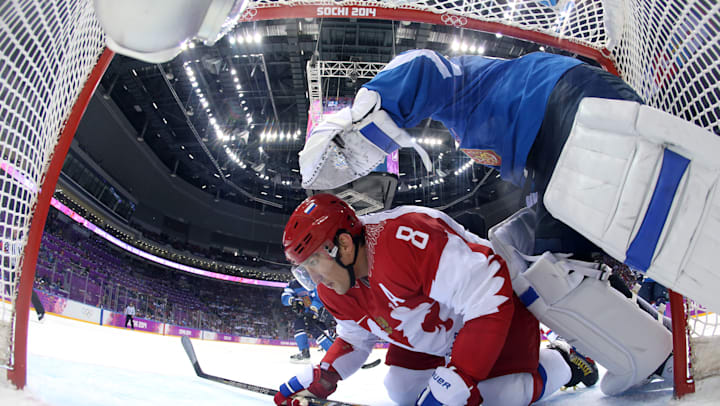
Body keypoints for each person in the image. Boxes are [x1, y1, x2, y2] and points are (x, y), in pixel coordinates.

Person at [274, 194, 602, 406]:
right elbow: (355, 338)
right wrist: (325, 375)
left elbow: (488, 292)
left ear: (344, 246)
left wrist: (461, 374)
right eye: (306, 269)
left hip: (493, 313)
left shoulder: (402, 240)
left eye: (314, 263)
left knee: (498, 397)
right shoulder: (335, 287)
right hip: (434, 333)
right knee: (401, 391)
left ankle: (564, 362)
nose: (314, 279)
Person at [281, 279, 334, 363]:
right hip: (307, 311)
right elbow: (285, 297)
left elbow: (319, 298)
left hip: (320, 309)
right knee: (299, 325)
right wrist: (292, 300)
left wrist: (313, 309)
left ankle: (335, 353)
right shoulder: (293, 284)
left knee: (316, 330)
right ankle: (304, 352)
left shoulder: (314, 280)